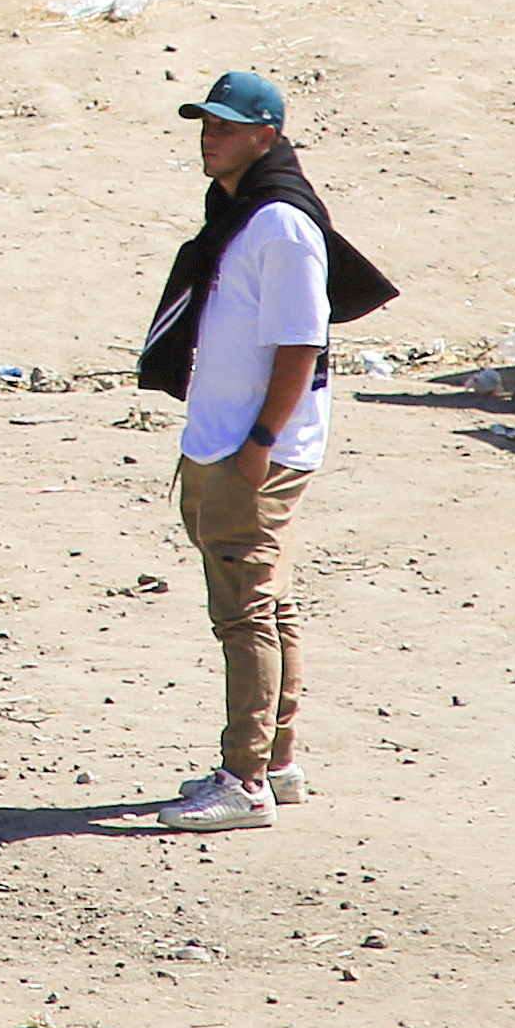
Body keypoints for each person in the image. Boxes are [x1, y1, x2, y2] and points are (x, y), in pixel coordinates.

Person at [131, 71, 348, 832]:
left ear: (267, 134)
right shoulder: (239, 213)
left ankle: (244, 780)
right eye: (202, 122)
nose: (207, 134)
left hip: (251, 449)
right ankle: (275, 762)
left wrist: (257, 442)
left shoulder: (280, 226)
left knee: (243, 612)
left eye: (223, 124)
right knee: (270, 603)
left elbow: (301, 343)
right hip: (229, 438)